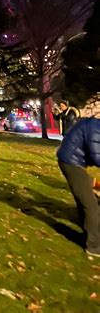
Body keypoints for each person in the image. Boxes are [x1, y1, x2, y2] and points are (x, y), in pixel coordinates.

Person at [57, 109, 100, 258]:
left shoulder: (94, 125)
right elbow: (97, 155)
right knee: (91, 205)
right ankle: (94, 247)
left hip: (72, 161)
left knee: (84, 200)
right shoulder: (95, 128)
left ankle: (87, 232)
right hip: (71, 162)